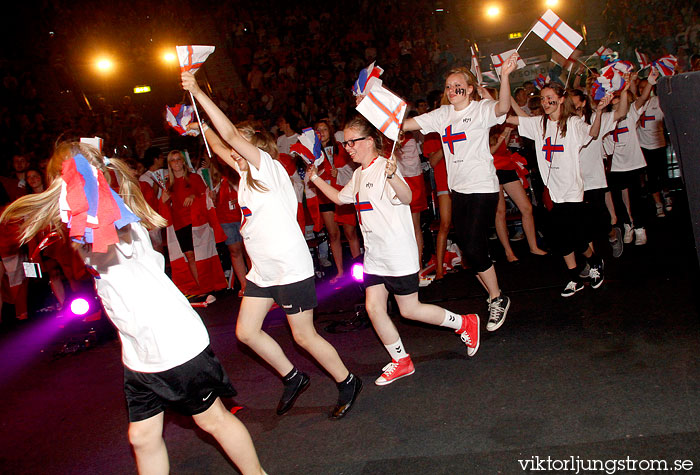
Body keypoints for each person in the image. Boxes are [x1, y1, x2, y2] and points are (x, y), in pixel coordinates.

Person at [1, 142, 266, 475]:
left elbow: (104, 230)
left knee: (213, 420)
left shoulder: (111, 218)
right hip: (138, 351)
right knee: (141, 437)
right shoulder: (87, 219)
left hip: (172, 342)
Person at [183, 71, 362, 419]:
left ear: (254, 146)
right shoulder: (245, 175)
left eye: (238, 146)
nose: (230, 151)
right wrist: (200, 129)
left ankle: (347, 380)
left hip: (288, 266)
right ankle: (294, 377)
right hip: (263, 270)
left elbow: (230, 136)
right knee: (246, 332)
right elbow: (220, 146)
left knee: (304, 336)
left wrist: (198, 93)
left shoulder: (268, 166)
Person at [309, 115, 480, 386]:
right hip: (375, 257)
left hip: (397, 254)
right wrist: (315, 179)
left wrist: (393, 176)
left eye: (352, 142)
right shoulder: (359, 173)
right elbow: (341, 198)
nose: (348, 148)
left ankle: (464, 323)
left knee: (409, 310)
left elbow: (407, 197)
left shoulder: (386, 167)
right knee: (374, 307)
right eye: (346, 143)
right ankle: (401, 360)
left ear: (369, 141)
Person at [402, 56, 517, 332]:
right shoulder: (442, 115)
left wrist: (504, 76)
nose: (452, 90)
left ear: (471, 87)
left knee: (475, 247)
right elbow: (404, 126)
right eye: (449, 86)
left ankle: (498, 297)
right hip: (459, 191)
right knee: (468, 249)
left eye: (458, 85)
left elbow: (502, 106)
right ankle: (494, 295)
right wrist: (375, 111)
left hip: (482, 187)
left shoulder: (481, 109)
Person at [506, 71, 611, 297]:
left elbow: (592, 133)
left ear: (561, 99)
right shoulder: (539, 124)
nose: (545, 103)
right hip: (552, 193)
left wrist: (600, 112)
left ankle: (594, 262)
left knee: (575, 236)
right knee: (560, 238)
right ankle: (574, 278)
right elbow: (513, 117)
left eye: (549, 98)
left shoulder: (573, 123)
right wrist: (491, 107)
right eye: (542, 99)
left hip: (572, 191)